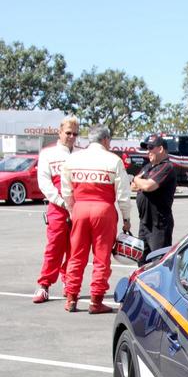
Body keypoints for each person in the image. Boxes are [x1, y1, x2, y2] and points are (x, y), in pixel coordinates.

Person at [61, 125, 132, 314]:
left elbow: (66, 191)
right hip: (104, 210)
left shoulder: (73, 159)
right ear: (106, 140)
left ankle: (71, 298)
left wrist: (72, 211)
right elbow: (124, 194)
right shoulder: (113, 160)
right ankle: (96, 301)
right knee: (101, 258)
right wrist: (126, 218)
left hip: (80, 209)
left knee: (76, 256)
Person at [32, 116, 80, 304]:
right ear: (60, 132)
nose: (71, 137)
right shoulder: (47, 153)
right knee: (54, 247)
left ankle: (69, 283)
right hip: (58, 207)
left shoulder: (81, 153)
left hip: (78, 208)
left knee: (75, 248)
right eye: (68, 133)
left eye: (75, 134)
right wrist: (62, 202)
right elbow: (44, 183)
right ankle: (44, 285)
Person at [131, 136, 176, 260]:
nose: (148, 151)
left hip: (159, 226)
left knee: (158, 263)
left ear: (161, 149)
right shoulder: (148, 167)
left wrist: (137, 179)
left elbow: (148, 185)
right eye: (146, 148)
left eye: (151, 148)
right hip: (145, 223)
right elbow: (133, 187)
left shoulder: (166, 167)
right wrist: (139, 182)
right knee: (142, 262)